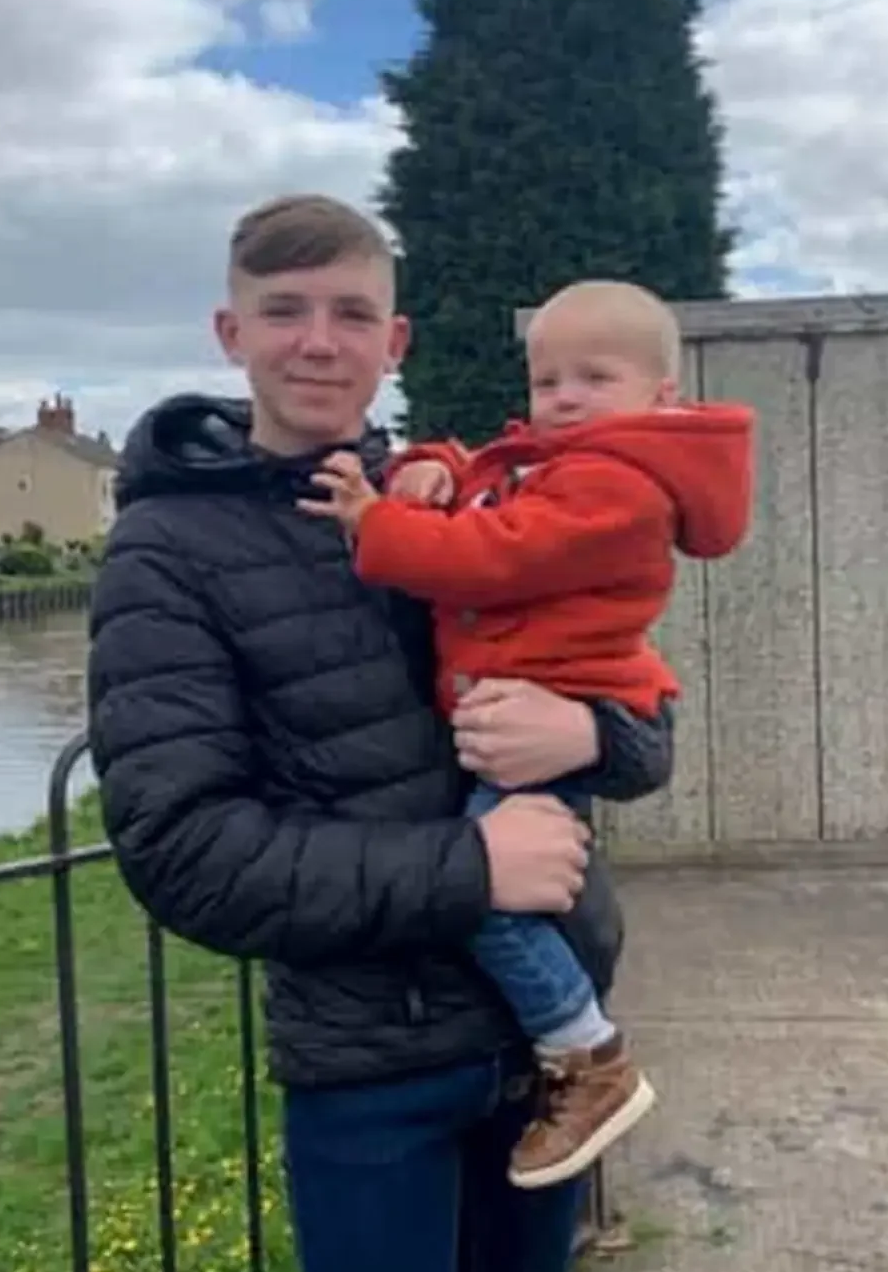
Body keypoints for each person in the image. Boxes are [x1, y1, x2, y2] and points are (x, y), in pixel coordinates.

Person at [85, 193, 674, 1272]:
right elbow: (183, 848)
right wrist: (471, 871)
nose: (318, 339)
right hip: (371, 1074)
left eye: (351, 312)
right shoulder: (165, 552)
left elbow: (643, 715)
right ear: (231, 332)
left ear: (392, 339)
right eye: (284, 311)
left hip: (543, 1063)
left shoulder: (463, 495)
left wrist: (591, 730)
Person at [298, 279, 753, 1191]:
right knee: (507, 887)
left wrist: (375, 519)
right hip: (536, 706)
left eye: (595, 378)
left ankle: (587, 1054)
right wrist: (433, 463)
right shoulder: (567, 466)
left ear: (662, 394)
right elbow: (490, 479)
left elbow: (493, 552)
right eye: (548, 382)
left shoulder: (618, 485)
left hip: (556, 706)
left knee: (492, 893)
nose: (565, 399)